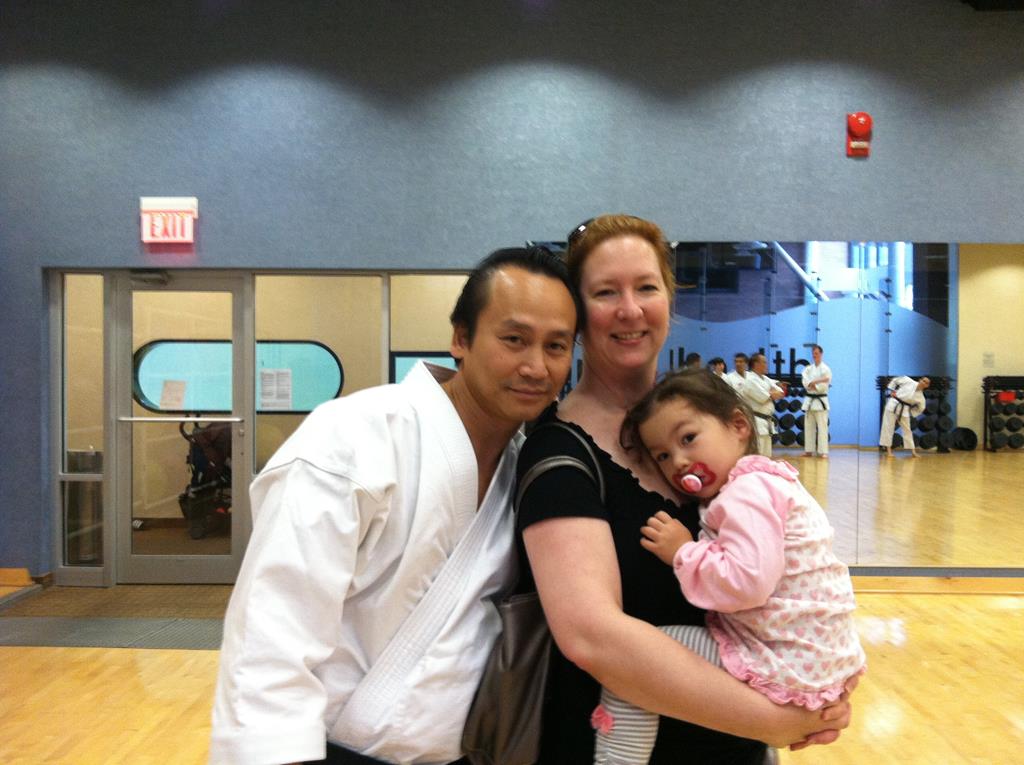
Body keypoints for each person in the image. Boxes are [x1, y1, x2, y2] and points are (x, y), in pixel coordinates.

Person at [209, 247, 580, 765]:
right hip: (330, 749)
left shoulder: (527, 469)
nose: (535, 366)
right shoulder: (353, 436)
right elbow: (271, 635)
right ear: (461, 338)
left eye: (556, 346)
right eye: (514, 339)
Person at [516, 214, 854, 765]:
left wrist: (814, 679)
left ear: (670, 300)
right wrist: (778, 719)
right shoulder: (560, 456)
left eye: (646, 287)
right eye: (606, 292)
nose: (630, 309)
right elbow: (592, 638)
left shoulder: (712, 437)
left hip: (734, 747)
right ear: (578, 313)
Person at [590, 369, 866, 765]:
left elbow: (747, 582)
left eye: (688, 438)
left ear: (738, 426)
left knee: (631, 667)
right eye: (662, 455)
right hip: (813, 657)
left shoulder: (745, 493)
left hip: (782, 656)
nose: (678, 461)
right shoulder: (764, 482)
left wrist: (683, 552)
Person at [738, 352, 785, 457]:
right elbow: (764, 397)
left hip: (766, 423)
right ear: (756, 364)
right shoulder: (749, 380)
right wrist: (771, 393)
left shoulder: (765, 379)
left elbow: (781, 393)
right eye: (764, 362)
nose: (766, 365)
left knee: (767, 457)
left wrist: (771, 393)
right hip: (756, 422)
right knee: (757, 457)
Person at [879, 375, 931, 457]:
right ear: (920, 380)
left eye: (926, 383)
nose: (924, 383)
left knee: (907, 430)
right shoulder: (908, 380)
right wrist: (892, 390)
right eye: (923, 380)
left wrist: (911, 412)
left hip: (905, 410)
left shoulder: (921, 397)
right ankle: (889, 451)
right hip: (893, 404)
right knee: (888, 427)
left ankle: (913, 452)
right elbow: (895, 380)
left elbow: (921, 408)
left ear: (927, 386)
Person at [801, 345, 832, 459]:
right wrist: (813, 383)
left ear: (821, 354)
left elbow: (825, 385)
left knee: (822, 428)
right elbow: (805, 381)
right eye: (813, 353)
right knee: (809, 427)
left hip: (821, 402)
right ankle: (809, 450)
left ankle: (823, 451)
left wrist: (814, 384)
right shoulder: (808, 369)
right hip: (809, 401)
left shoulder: (826, 369)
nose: (815, 355)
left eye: (817, 353)